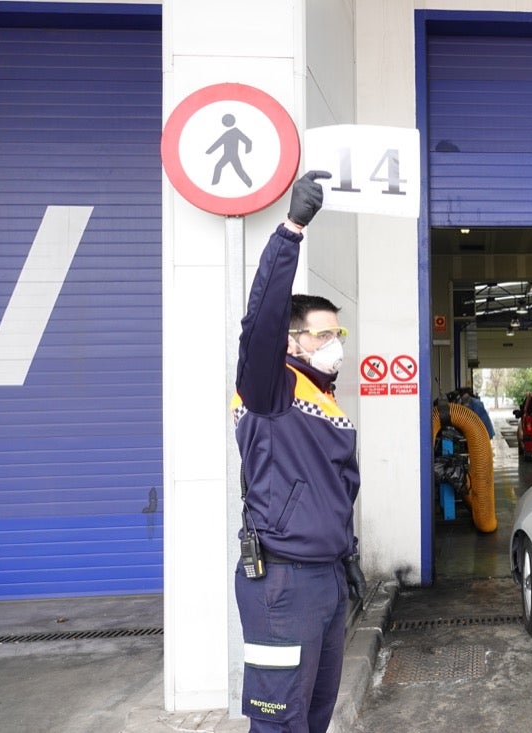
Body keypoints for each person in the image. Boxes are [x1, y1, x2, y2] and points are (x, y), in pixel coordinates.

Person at [231, 170, 368, 732]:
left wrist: (347, 553)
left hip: (326, 577)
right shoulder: (269, 388)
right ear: (291, 341)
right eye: (322, 334)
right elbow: (259, 321)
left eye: (339, 334)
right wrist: (291, 230)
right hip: (282, 583)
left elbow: (333, 487)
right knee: (279, 719)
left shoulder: (323, 398)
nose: (335, 345)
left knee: (315, 712)